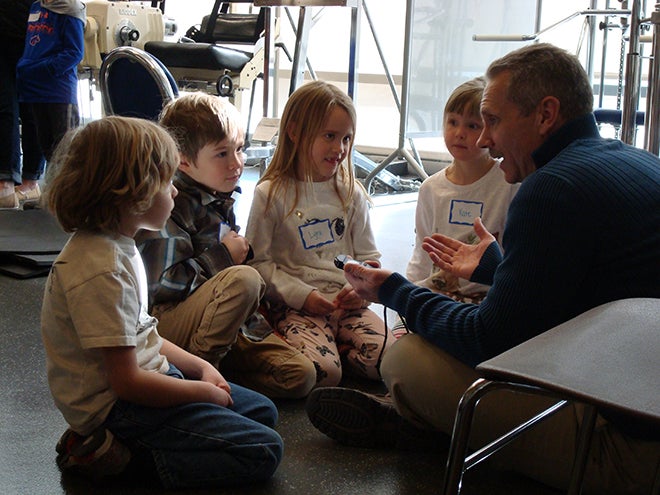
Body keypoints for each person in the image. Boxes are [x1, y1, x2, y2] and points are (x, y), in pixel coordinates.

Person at [305, 43, 660, 495]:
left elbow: (487, 339)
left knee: (407, 360)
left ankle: (432, 429)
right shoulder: (638, 161)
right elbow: (586, 291)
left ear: (546, 115)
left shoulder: (550, 188)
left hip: (628, 448)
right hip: (640, 402)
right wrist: (498, 266)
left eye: (492, 120)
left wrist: (395, 291)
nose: (484, 139)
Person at [41, 116, 283, 488]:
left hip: (149, 378)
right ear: (129, 191)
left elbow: (143, 334)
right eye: (165, 182)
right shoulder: (100, 271)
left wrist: (201, 369)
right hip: (115, 408)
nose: (174, 192)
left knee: (262, 412)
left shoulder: (121, 245)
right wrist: (199, 392)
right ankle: (111, 456)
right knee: (263, 450)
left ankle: (141, 443)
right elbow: (127, 383)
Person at [136, 92, 316, 399]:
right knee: (245, 279)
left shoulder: (220, 195)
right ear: (184, 160)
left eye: (240, 149)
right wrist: (223, 257)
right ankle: (198, 376)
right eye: (222, 154)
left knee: (301, 375)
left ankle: (219, 374)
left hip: (222, 320)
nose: (237, 163)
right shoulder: (170, 203)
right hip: (171, 321)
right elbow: (164, 285)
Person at [245, 80, 392, 388]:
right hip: (298, 307)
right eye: (329, 136)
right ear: (295, 133)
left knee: (390, 363)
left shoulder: (351, 193)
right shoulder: (270, 195)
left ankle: (337, 349)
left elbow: (369, 258)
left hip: (348, 305)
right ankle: (306, 348)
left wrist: (362, 290)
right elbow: (258, 264)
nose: (340, 148)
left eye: (346, 138)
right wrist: (303, 297)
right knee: (324, 374)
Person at [405, 76, 518, 304]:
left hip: (487, 298)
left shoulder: (509, 184)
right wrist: (407, 295)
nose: (459, 133)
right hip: (435, 295)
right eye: (453, 122)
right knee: (396, 337)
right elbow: (422, 253)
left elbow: (513, 257)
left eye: (472, 126)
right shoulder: (431, 188)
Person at [16, 0, 84, 189]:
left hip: (58, 91)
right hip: (35, 89)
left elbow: (74, 53)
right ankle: (54, 192)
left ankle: (70, 195)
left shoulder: (71, 9)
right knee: (46, 145)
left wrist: (42, 68)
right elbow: (33, 44)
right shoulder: (36, 6)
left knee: (66, 148)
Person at [0, 0, 47, 208]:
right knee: (4, 105)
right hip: (8, 24)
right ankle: (6, 180)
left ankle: (29, 180)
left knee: (31, 106)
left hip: (35, 25)